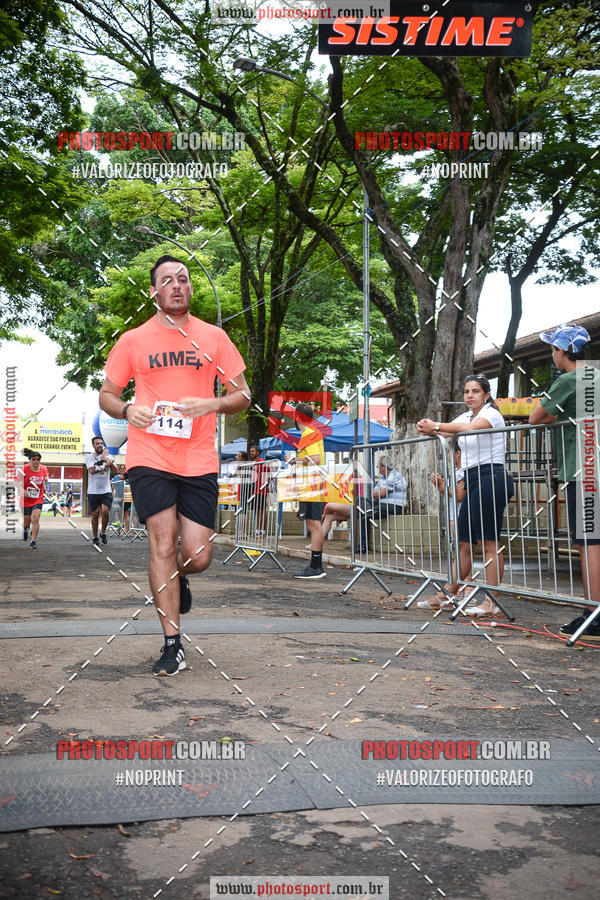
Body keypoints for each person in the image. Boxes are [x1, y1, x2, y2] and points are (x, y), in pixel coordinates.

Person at [99, 254, 250, 676]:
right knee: (161, 545)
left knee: (198, 555)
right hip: (149, 455)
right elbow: (107, 394)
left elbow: (244, 394)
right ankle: (172, 644)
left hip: (199, 457)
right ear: (154, 291)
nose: (177, 285)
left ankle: (177, 577)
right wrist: (128, 409)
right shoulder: (133, 340)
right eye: (167, 280)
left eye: (182, 279)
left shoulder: (214, 337)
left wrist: (214, 403)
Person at [417, 373, 514, 616]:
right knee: (464, 542)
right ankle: (448, 594)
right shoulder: (465, 415)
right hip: (471, 479)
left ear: (487, 394)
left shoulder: (491, 414)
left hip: (491, 477)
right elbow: (450, 431)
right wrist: (428, 427)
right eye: (466, 391)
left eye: (475, 391)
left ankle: (492, 601)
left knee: (489, 542)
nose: (470, 395)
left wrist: (437, 426)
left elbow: (467, 429)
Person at [528, 324, 600, 642]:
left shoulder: (569, 380)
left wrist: (563, 416)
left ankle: (593, 615)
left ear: (562, 351)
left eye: (552, 350)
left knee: (589, 545)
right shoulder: (596, 377)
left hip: (582, 473)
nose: (552, 356)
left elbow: (535, 418)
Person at [293, 403, 328, 579]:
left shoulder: (309, 432)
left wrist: (297, 460)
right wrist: (296, 459)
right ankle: (316, 566)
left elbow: (315, 458)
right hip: (312, 483)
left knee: (314, 524)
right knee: (313, 523)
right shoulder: (310, 432)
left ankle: (316, 567)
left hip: (313, 483)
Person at [357, 453, 407, 551]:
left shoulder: (395, 475)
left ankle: (369, 512)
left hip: (395, 506)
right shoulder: (382, 478)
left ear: (384, 467)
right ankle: (363, 546)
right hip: (381, 505)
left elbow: (382, 493)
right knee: (359, 500)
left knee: (367, 512)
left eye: (378, 465)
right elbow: (373, 494)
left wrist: (378, 493)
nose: (376, 467)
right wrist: (378, 493)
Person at [86, 436, 118, 545]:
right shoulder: (90, 457)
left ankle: (103, 532)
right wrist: (106, 462)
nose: (99, 445)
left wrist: (109, 462)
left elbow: (116, 471)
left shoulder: (109, 456)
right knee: (95, 514)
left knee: (105, 511)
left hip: (106, 489)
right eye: (97, 443)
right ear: (93, 445)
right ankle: (95, 536)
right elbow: (92, 470)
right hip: (93, 490)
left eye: (101, 443)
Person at [430, 446, 466, 541]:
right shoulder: (455, 471)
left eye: (450, 452)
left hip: (460, 516)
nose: (448, 456)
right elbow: (449, 492)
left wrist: (443, 485)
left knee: (460, 547)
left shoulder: (463, 472)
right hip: (453, 515)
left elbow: (459, 496)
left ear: (458, 453)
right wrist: (440, 486)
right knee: (455, 547)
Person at [22, 450, 50, 548]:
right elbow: (16, 481)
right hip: (26, 498)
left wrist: (45, 489)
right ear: (30, 460)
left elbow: (43, 482)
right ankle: (25, 529)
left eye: (38, 459)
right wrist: (22, 490)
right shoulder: (24, 468)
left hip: (38, 498)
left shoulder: (43, 469)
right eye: (33, 459)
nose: (36, 461)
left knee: (35, 518)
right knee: (26, 522)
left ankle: (33, 541)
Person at [248, 442, 270, 535]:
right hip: (254, 490)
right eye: (250, 451)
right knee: (256, 511)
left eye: (253, 451)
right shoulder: (253, 463)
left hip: (261, 490)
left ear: (258, 452)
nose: (251, 453)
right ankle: (257, 530)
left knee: (261, 510)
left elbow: (268, 476)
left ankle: (263, 531)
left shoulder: (262, 462)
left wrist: (264, 487)